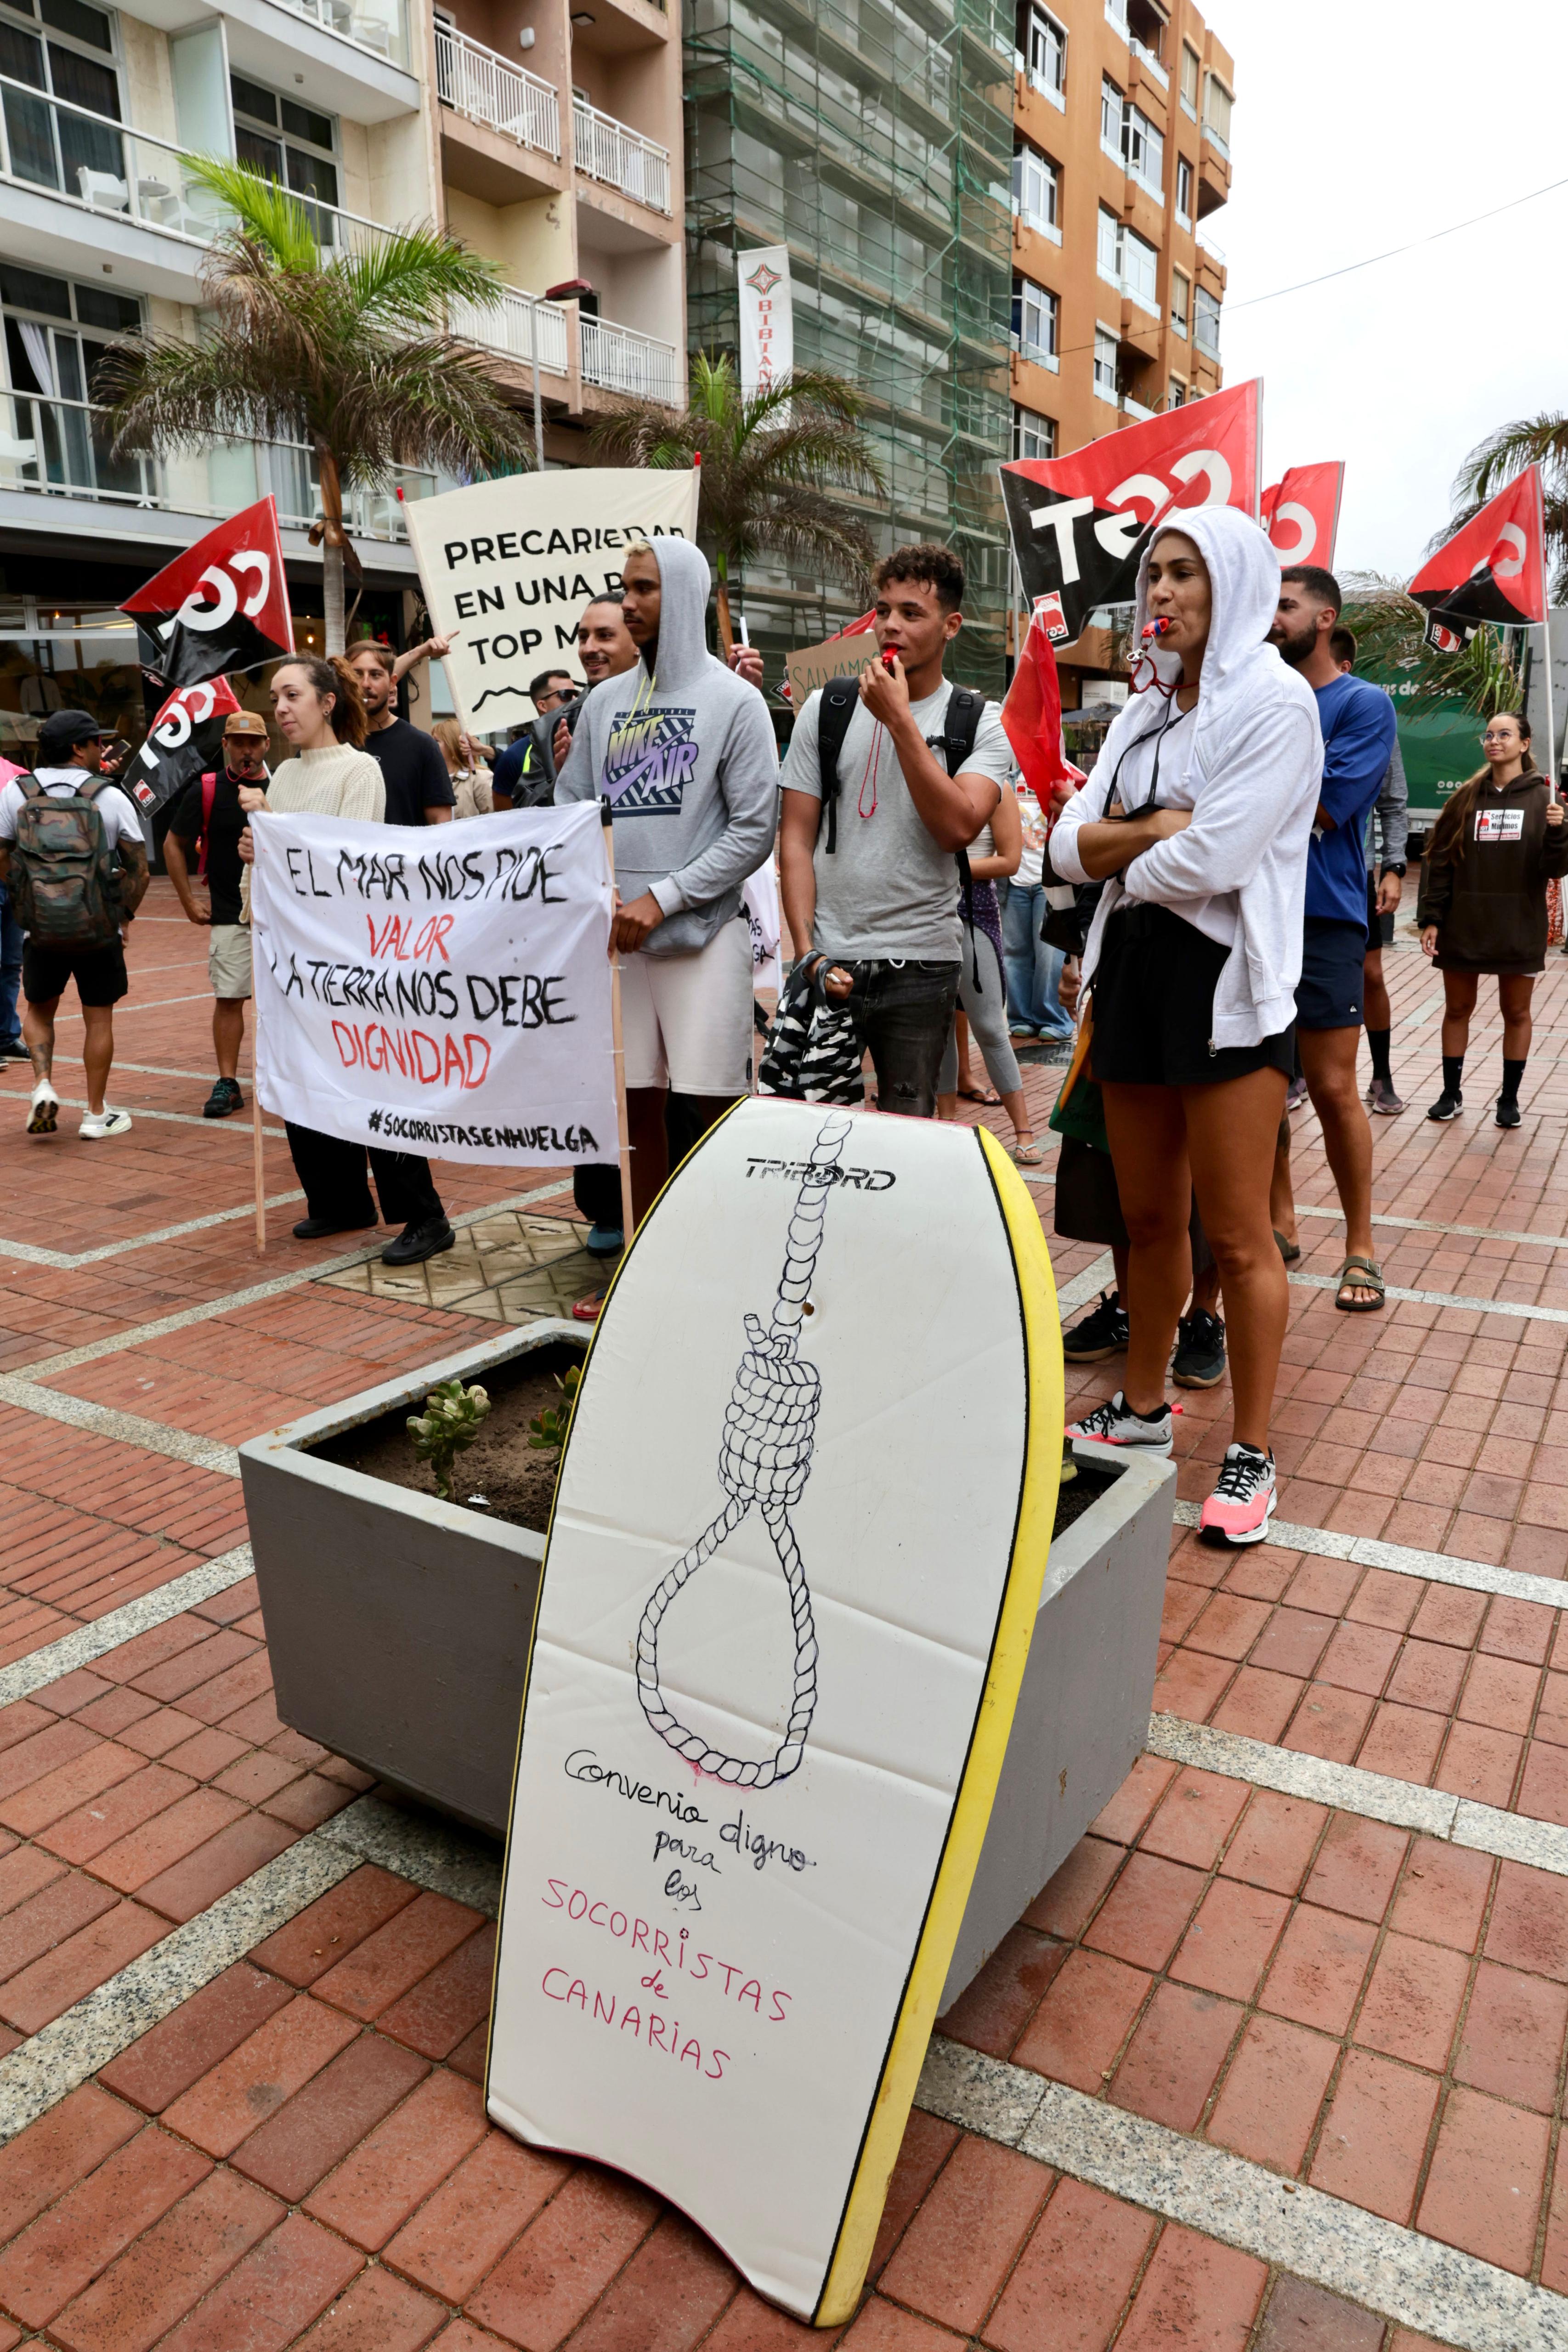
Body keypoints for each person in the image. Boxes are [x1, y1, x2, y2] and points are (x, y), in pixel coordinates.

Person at [1053, 511, 1321, 1546]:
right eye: (1151, 575)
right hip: (1131, 979)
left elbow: (1209, 862)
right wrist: (1136, 837)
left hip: (1229, 988)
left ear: (1235, 584)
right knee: (1147, 1223)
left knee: (1237, 1235)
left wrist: (1123, 850)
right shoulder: (1142, 708)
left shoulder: (1275, 702)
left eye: (1182, 574)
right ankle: (1145, 1407)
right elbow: (1062, 847)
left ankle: (1249, 1450)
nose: (1157, 593)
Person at [555, 538, 777, 1232]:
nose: (629, 602)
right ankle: (642, 1274)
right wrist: (598, 891)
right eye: (626, 588)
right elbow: (574, 808)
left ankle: (720, 1268)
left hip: (703, 940)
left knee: (712, 1113)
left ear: (681, 592)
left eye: (645, 588)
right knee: (632, 1112)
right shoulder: (603, 704)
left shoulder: (735, 703)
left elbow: (753, 830)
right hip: (620, 941)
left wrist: (665, 897)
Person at [777, 544, 1011, 1117]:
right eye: (883, 610)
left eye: (911, 613)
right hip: (830, 958)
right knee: (810, 1130)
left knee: (908, 1139)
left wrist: (900, 720)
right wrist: (807, 954)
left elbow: (956, 828)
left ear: (950, 625)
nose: (890, 626)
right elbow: (795, 840)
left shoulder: (980, 721)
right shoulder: (825, 706)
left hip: (923, 964)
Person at [239, 656, 456, 1265]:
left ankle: (424, 1214)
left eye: (292, 696)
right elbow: (273, 873)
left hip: (350, 958)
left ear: (327, 702)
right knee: (304, 1076)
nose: (280, 708)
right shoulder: (281, 776)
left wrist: (275, 836)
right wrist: (256, 852)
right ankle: (338, 1199)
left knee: (373, 1079)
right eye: (276, 697)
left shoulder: (362, 771)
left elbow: (351, 865)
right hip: (293, 959)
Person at [1266, 566, 1398, 1312]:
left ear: (1323, 619)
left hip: (1322, 916)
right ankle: (1279, 1218)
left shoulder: (1361, 703)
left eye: (1285, 606)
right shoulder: (1253, 698)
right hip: (1250, 917)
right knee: (1260, 1083)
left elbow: (1322, 808)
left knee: (1330, 1086)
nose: (1271, 618)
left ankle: (1360, 1245)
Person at [0, 707, 149, 1139]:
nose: (101, 750)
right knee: (98, 1020)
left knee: (39, 1010)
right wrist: (122, 917)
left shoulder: (16, 792)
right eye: (95, 743)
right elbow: (138, 868)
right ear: (77, 749)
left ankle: (43, 1084)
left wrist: (28, 904)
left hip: (41, 929)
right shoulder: (109, 795)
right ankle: (96, 1114)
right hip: (97, 928)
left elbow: (2, 856)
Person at [1417, 709, 1567, 1128]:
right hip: (1465, 925)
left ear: (1524, 744)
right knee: (1457, 1009)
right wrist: (1432, 917)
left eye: (1505, 734)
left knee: (1516, 1013)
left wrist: (1559, 832)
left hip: (1518, 926)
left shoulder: (1546, 799)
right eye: (1488, 735)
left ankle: (1509, 1099)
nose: (1494, 741)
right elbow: (1441, 861)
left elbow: (1555, 869)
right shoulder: (1465, 797)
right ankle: (1451, 1094)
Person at [163, 708, 271, 1119]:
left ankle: (290, 1077)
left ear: (264, 745)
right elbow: (174, 844)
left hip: (282, 917)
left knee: (291, 1001)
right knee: (229, 998)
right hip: (231, 913)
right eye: (238, 742)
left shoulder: (285, 785)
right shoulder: (206, 789)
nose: (246, 750)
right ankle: (228, 1081)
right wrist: (188, 901)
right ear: (225, 745)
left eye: (253, 742)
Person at [935, 788, 1044, 1163]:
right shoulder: (925, 776)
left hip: (971, 912)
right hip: (922, 914)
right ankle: (946, 1123)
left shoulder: (995, 789)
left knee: (990, 1028)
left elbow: (1009, 860)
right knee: (941, 1026)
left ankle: (1024, 1130)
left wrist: (951, 871)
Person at [1002, 767, 1075, 1054]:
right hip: (1013, 881)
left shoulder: (1061, 774)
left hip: (1049, 880)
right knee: (1016, 953)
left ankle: (1053, 1020)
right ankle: (1020, 1018)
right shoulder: (1005, 777)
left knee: (1049, 954)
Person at [346, 641, 454, 826]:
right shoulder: (330, 743)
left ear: (392, 683)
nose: (365, 684)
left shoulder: (422, 746)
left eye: (375, 675)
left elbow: (441, 825)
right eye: (357, 674)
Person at [493, 669, 580, 811]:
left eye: (577, 695)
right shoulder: (513, 756)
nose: (574, 700)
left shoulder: (586, 738)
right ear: (542, 705)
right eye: (566, 695)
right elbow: (505, 816)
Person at [432, 721, 494, 820]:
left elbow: (493, 820)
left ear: (452, 746)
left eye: (436, 741)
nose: (430, 745)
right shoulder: (430, 779)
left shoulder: (480, 777)